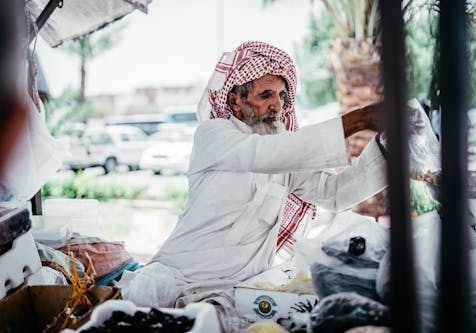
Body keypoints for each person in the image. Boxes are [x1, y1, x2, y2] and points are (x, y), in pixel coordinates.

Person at [117, 41, 387, 332]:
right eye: (266, 94)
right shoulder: (214, 136)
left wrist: (388, 148)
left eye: (283, 96)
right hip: (178, 285)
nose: (278, 105)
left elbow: (334, 194)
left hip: (241, 297)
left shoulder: (282, 150)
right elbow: (264, 154)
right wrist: (359, 119)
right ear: (235, 101)